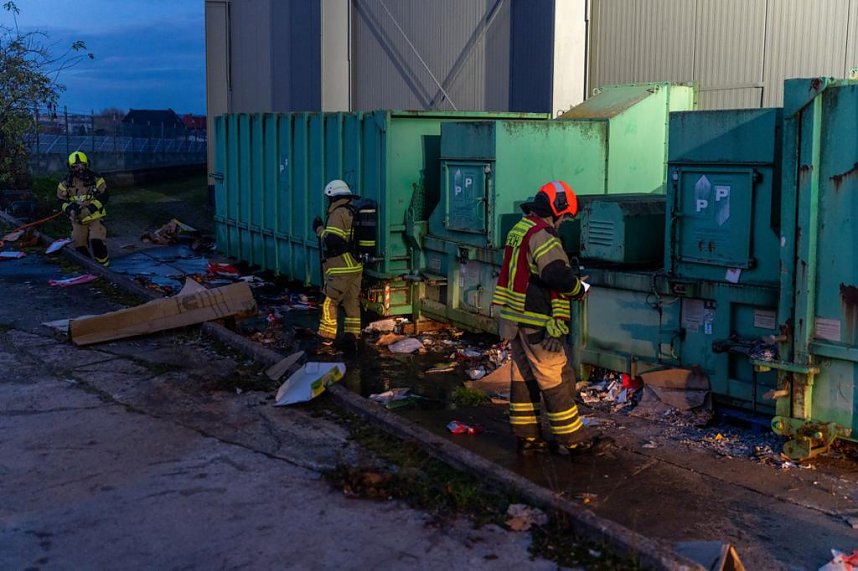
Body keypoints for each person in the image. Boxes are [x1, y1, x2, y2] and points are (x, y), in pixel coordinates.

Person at [492, 180, 596, 455]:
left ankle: (527, 438)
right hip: (537, 320)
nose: (563, 222)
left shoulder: (520, 228)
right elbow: (554, 274)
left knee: (523, 377)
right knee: (556, 377)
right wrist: (578, 289)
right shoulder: (543, 235)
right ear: (557, 209)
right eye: (565, 216)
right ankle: (574, 441)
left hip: (514, 319)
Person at [312, 179, 363, 350]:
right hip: (355, 265)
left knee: (328, 301)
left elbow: (332, 240)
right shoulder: (353, 210)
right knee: (351, 303)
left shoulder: (338, 213)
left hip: (341, 267)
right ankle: (352, 339)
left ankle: (326, 340)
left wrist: (319, 229)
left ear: (332, 197)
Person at [57, 151, 110, 266]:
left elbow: (104, 196)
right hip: (77, 219)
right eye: (75, 166)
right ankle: (89, 267)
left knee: (97, 241)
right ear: (70, 167)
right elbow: (61, 200)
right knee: (79, 245)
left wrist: (89, 209)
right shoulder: (65, 183)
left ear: (87, 165)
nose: (80, 169)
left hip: (95, 217)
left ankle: (104, 267)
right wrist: (70, 210)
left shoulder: (96, 179)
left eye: (82, 165)